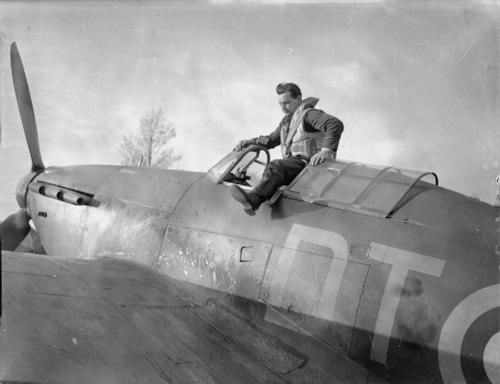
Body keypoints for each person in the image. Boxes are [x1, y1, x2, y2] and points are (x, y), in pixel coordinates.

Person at [231, 82, 344, 215]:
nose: (284, 108)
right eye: (281, 104)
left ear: (299, 98)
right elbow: (272, 139)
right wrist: (249, 142)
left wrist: (326, 150)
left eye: (287, 103)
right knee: (272, 173)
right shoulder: (287, 122)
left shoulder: (309, 115)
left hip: (310, 166)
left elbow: (334, 124)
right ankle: (260, 196)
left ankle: (254, 200)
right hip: (296, 166)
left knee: (276, 166)